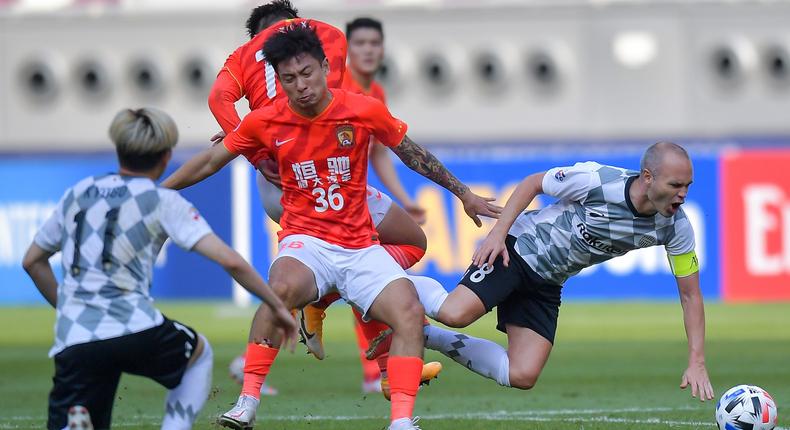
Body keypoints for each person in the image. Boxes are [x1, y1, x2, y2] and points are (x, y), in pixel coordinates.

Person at [163, 25, 500, 430]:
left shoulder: (361, 109)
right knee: (280, 291)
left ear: (325, 66)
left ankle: (401, 422)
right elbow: (209, 161)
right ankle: (247, 402)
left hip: (360, 245)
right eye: (289, 79)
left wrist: (463, 193)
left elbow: (412, 154)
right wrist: (157, 193)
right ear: (278, 79)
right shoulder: (263, 121)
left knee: (409, 312)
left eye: (307, 74)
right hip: (307, 241)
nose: (300, 86)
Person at [205, 1, 433, 397]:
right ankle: (375, 364)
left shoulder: (361, 92)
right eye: (361, 42)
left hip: (311, 181)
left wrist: (242, 140)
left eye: (374, 43)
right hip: (301, 181)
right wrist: (252, 147)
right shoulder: (317, 75)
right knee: (368, 256)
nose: (368, 50)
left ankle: (326, 307)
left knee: (377, 256)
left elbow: (378, 151)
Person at [372, 142, 716, 403]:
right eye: (675, 185)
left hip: (548, 281)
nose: (683, 195)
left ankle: (427, 337)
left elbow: (690, 294)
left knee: (522, 374)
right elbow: (533, 183)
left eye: (688, 186)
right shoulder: (597, 181)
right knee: (454, 312)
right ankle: (377, 279)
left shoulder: (676, 228)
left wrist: (697, 360)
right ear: (647, 177)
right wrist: (497, 235)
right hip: (518, 249)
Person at [21, 108, 299, 430]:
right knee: (199, 356)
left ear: (120, 150)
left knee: (87, 401)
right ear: (166, 157)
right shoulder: (162, 200)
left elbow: (32, 261)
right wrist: (276, 305)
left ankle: (75, 421)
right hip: (135, 326)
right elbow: (231, 261)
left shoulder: (78, 194)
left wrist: (68, 308)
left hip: (76, 335)